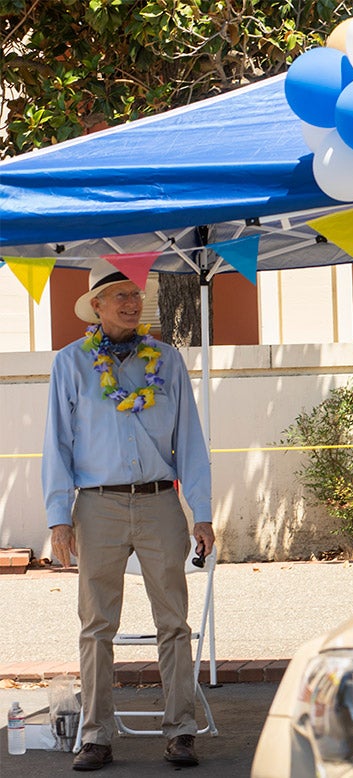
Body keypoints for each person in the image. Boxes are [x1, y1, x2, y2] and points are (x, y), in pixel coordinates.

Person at [43, 262, 214, 771]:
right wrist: (59, 517)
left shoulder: (167, 359)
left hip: (161, 501)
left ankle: (182, 730)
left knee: (174, 623)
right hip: (97, 505)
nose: (131, 302)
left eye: (136, 293)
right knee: (96, 624)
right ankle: (95, 735)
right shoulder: (70, 363)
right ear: (95, 306)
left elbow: (190, 441)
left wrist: (200, 512)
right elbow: (56, 444)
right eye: (118, 295)